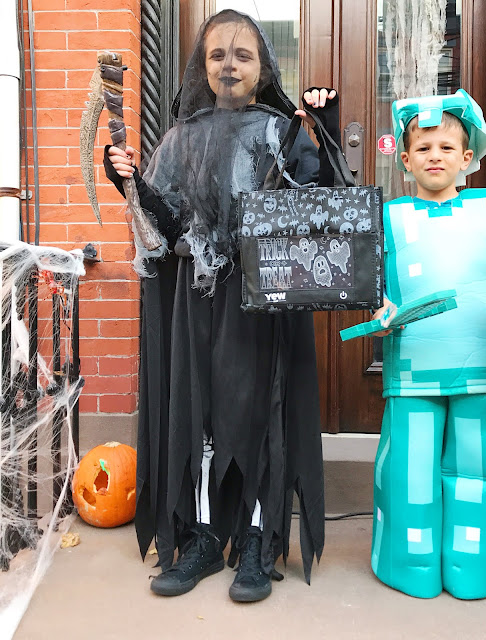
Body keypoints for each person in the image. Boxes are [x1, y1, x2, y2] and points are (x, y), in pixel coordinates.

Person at [104, 9, 340, 602]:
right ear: (201, 66)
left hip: (262, 296)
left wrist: (324, 127)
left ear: (264, 69)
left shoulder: (281, 131)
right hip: (197, 299)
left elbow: (320, 204)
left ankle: (256, 539)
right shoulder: (181, 139)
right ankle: (205, 536)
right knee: (201, 409)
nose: (229, 65)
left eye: (242, 55)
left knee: (259, 408)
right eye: (217, 55)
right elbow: (166, 225)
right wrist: (130, 184)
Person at [370, 89, 486, 600]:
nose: (435, 156)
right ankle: (408, 564)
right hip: (412, 370)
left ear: (467, 157)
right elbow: (369, 280)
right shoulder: (387, 217)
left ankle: (473, 566)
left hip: (480, 366)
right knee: (409, 472)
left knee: (478, 472)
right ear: (405, 159)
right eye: (423, 148)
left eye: (446, 148)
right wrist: (378, 309)